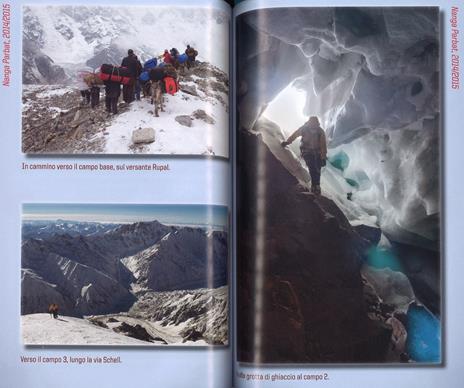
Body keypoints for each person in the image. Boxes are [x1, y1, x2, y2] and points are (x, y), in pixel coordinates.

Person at [281, 116, 327, 195]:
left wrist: (323, 158)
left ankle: (317, 186)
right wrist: (287, 142)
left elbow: (323, 146)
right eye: (312, 123)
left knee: (317, 168)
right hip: (306, 151)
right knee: (312, 166)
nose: (313, 126)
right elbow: (295, 135)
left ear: (317, 124)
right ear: (309, 123)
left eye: (314, 124)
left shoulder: (320, 132)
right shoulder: (304, 128)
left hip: (317, 152)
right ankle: (314, 186)